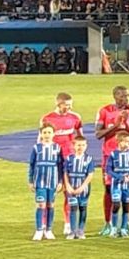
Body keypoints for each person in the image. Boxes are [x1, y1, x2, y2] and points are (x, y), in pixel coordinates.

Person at [41, 92, 83, 236]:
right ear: (58, 104)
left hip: (68, 160)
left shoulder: (75, 117)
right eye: (66, 105)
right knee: (49, 192)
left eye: (71, 105)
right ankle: (45, 225)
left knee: (68, 191)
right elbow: (41, 140)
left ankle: (67, 223)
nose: (69, 108)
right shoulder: (47, 118)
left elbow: (79, 137)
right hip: (52, 160)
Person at [28, 124, 64, 241]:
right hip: (40, 182)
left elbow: (60, 166)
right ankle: (39, 230)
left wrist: (60, 181)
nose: (47, 135)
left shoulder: (57, 148)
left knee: (50, 205)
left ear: (53, 134)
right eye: (44, 133)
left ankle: (48, 229)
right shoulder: (36, 148)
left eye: (49, 132)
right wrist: (30, 180)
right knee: (40, 205)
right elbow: (32, 165)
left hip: (52, 182)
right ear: (41, 134)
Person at [106, 131, 129, 238]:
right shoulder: (113, 154)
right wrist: (120, 177)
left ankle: (123, 229)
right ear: (119, 142)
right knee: (116, 205)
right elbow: (108, 170)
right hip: (116, 184)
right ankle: (114, 228)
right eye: (126, 142)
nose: (128, 144)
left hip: (127, 185)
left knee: (126, 206)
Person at [63, 136, 94, 240]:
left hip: (83, 189)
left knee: (82, 208)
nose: (80, 147)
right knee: (73, 208)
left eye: (83, 145)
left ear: (86, 146)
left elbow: (90, 175)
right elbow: (66, 173)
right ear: (74, 146)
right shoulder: (69, 159)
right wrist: (67, 186)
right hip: (71, 188)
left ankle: (81, 230)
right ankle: (72, 231)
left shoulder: (89, 159)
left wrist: (82, 187)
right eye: (78, 145)